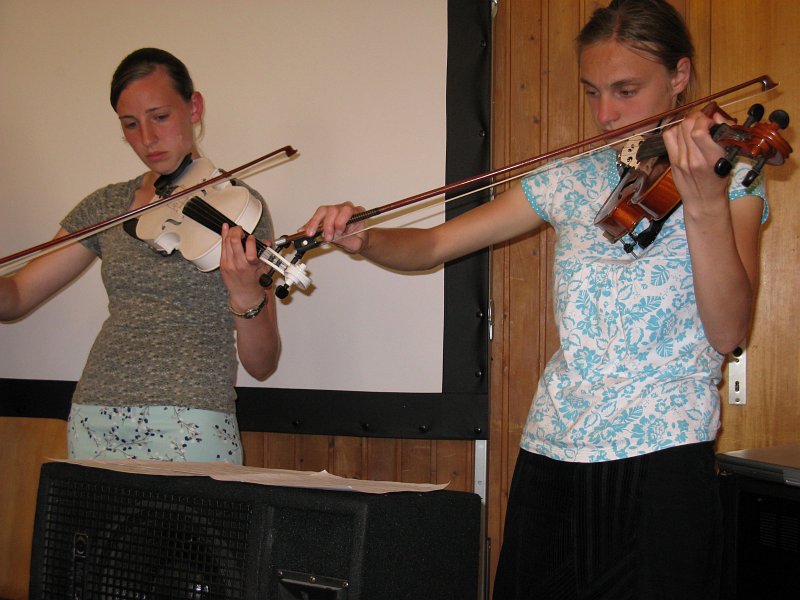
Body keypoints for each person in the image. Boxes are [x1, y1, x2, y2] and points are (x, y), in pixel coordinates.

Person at [300, 1, 768, 597]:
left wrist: (704, 203)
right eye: (592, 91)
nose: (605, 114)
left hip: (663, 451)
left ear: (679, 75)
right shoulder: (571, 175)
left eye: (626, 91)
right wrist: (366, 239)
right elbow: (434, 244)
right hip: (552, 446)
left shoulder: (732, 174)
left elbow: (728, 331)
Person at [0, 48, 280, 464]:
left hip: (192, 420)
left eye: (160, 117)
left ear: (194, 107)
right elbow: (18, 296)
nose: (147, 138)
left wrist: (246, 296)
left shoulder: (237, 208)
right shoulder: (108, 205)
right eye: (130, 124)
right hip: (95, 413)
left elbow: (262, 364)